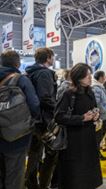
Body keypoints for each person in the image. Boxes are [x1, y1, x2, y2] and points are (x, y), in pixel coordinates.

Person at [55, 63, 102, 189]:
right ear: (78, 77)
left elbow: (94, 108)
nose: (90, 78)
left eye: (90, 75)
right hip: (73, 142)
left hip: (89, 139)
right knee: (74, 177)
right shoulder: (68, 94)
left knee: (89, 175)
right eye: (87, 76)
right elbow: (59, 116)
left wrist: (96, 115)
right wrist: (81, 118)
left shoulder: (90, 92)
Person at [0, 51, 40, 189]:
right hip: (16, 136)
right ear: (17, 63)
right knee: (15, 174)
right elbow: (34, 105)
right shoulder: (21, 79)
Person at [25, 47, 58, 189]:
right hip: (43, 121)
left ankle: (31, 182)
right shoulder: (44, 73)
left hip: (32, 119)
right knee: (51, 153)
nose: (54, 59)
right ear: (48, 57)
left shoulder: (30, 72)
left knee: (34, 153)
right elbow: (45, 98)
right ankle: (38, 183)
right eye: (53, 56)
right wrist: (57, 110)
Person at [92, 70, 106, 161]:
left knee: (100, 136)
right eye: (104, 77)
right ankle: (96, 154)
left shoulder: (99, 87)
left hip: (102, 116)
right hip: (100, 117)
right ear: (101, 78)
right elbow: (97, 103)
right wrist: (104, 111)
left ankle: (97, 153)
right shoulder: (96, 88)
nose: (105, 78)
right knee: (98, 136)